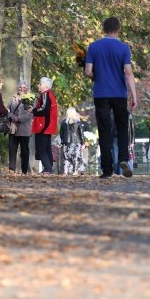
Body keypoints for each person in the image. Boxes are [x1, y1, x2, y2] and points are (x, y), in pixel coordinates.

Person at [85, 16, 138, 178]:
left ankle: (106, 169)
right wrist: (133, 96)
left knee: (104, 129)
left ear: (103, 29)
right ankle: (123, 159)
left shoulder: (93, 47)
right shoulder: (123, 48)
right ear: (118, 29)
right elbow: (128, 72)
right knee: (122, 127)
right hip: (119, 94)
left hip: (101, 93)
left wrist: (97, 77)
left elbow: (88, 72)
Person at [31, 77, 58, 174]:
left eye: (40, 84)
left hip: (43, 125)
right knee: (46, 148)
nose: (39, 85)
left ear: (46, 85)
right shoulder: (49, 94)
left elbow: (44, 109)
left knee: (41, 149)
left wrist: (33, 110)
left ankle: (48, 169)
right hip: (48, 125)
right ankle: (47, 169)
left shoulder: (45, 94)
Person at [6, 80, 34, 174]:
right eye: (20, 87)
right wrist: (10, 115)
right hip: (13, 128)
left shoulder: (30, 99)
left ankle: (24, 170)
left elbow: (30, 114)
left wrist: (18, 118)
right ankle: (12, 169)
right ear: (18, 88)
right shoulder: (13, 98)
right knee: (12, 149)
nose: (22, 89)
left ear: (27, 89)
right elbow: (8, 109)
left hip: (24, 129)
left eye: (24, 88)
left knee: (24, 150)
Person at [60, 107, 87, 175]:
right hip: (76, 142)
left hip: (66, 142)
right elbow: (81, 133)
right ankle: (75, 171)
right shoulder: (78, 122)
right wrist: (83, 143)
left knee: (66, 157)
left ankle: (65, 171)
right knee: (76, 156)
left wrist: (62, 141)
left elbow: (61, 133)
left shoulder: (63, 122)